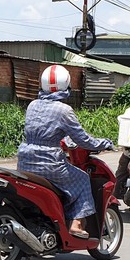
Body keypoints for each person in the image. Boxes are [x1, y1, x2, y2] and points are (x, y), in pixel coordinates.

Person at [17, 65, 113, 239]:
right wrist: (104, 143)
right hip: (49, 163)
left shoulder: (32, 105)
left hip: (25, 161)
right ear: (67, 86)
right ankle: (76, 224)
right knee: (83, 179)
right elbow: (83, 140)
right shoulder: (64, 110)